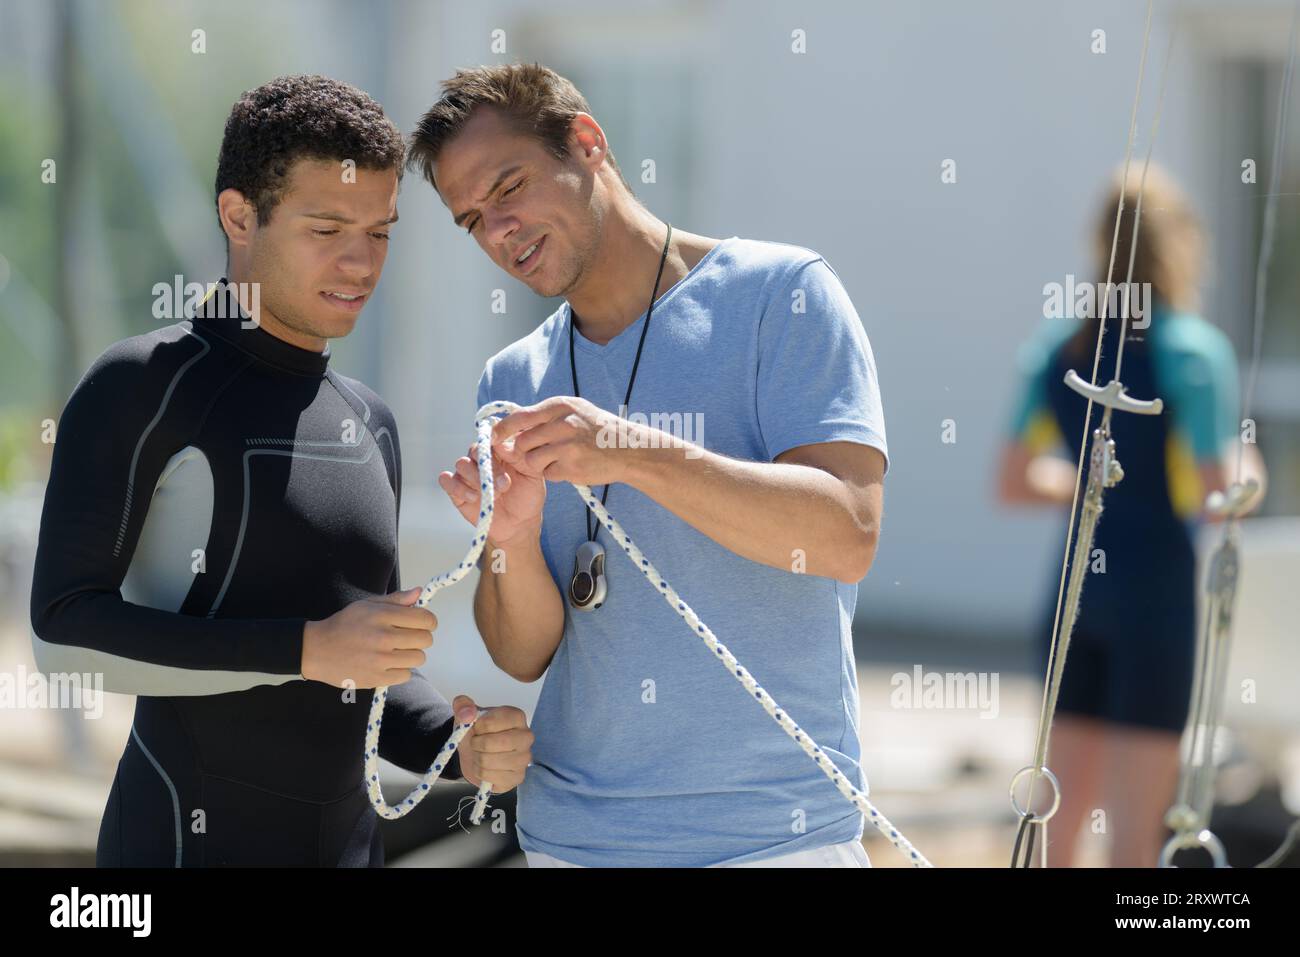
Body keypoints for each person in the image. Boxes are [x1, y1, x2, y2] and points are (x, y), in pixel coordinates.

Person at [30, 74, 532, 867]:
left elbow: (366, 673)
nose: (360, 262)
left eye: (380, 232)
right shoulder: (145, 386)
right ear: (239, 215)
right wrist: (306, 649)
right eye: (327, 227)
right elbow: (62, 636)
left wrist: (453, 740)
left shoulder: (370, 421)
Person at [410, 62, 888, 867]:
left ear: (588, 143)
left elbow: (846, 531)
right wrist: (514, 540)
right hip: (575, 840)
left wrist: (630, 451)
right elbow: (521, 653)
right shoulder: (512, 381)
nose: (500, 230)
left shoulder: (784, 294)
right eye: (473, 220)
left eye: (511, 186)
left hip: (774, 836)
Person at [997, 164, 1266, 867]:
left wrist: (1094, 486)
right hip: (1156, 594)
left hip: (1075, 593)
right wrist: (1252, 474)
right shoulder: (1193, 351)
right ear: (1180, 245)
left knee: (1055, 838)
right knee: (1132, 847)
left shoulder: (1060, 346)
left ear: (1098, 243)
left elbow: (1013, 481)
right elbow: (1217, 491)